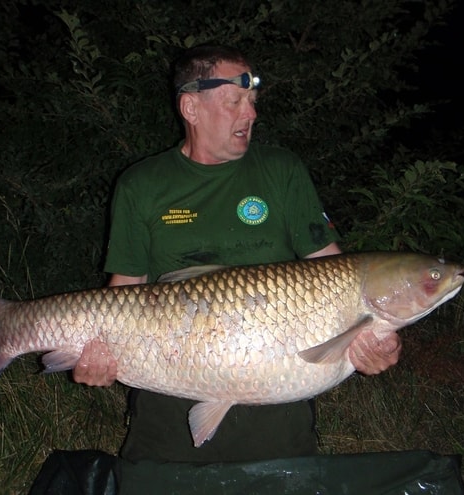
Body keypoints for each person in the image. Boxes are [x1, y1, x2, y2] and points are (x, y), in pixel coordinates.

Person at [72, 45, 401, 463]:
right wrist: (96, 351)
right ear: (191, 107)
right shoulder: (142, 184)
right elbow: (124, 289)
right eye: (235, 101)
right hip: (167, 388)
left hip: (278, 394)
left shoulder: (281, 171)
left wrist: (376, 340)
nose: (251, 114)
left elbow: (337, 274)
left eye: (253, 102)